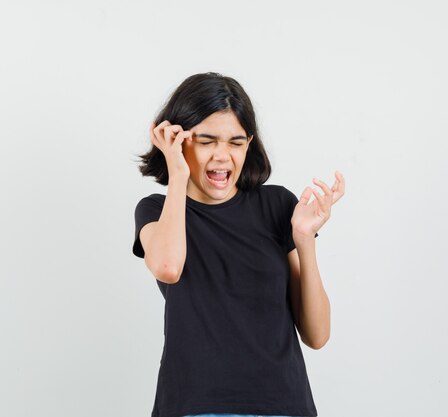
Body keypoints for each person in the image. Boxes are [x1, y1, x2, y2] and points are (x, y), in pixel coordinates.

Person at [132, 72, 345, 417]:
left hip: (284, 405)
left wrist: (304, 240)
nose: (222, 155)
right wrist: (178, 173)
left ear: (249, 144)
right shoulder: (157, 210)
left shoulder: (276, 206)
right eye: (206, 141)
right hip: (193, 406)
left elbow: (317, 335)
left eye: (235, 142)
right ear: (179, 139)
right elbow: (168, 268)